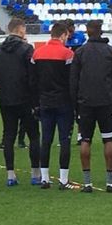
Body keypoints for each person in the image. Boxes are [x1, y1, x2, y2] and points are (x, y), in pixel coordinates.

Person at [70, 19, 112, 193]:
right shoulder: (110, 51)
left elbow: (74, 81)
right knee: (108, 139)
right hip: (106, 102)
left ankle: (87, 183)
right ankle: (109, 183)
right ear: (101, 31)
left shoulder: (80, 52)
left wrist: (75, 104)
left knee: (85, 140)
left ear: (87, 32)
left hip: (85, 102)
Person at [0, 17, 40, 186]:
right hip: (26, 99)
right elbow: (33, 76)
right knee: (33, 136)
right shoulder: (27, 49)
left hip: (6, 99)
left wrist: (4, 83)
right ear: (21, 29)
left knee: (8, 136)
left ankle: (10, 175)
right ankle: (35, 173)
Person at [30, 21, 76, 190]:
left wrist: (35, 103)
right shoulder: (68, 54)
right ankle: (63, 180)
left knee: (46, 140)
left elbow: (32, 82)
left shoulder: (37, 53)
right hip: (64, 103)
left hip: (45, 102)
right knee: (65, 141)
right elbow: (72, 82)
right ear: (63, 35)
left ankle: (45, 179)